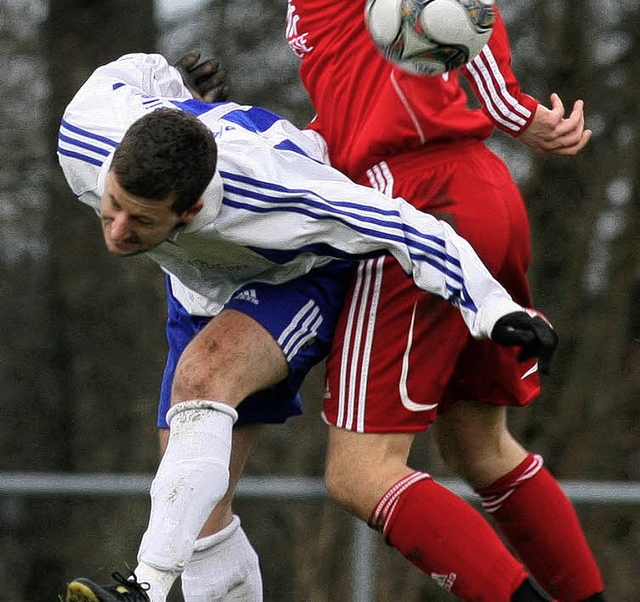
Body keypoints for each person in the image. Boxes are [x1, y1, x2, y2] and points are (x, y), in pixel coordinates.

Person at [250, 0, 605, 602]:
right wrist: (518, 112)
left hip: (414, 206)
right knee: (480, 447)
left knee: (360, 472)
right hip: (481, 186)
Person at [58, 52, 557, 602]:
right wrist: (179, 86)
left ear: (194, 208)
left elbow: (409, 228)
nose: (118, 230)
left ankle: (143, 589)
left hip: (299, 274)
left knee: (203, 380)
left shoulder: (281, 194)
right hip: (198, 289)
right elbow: (140, 68)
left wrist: (494, 309)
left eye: (142, 220)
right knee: (199, 512)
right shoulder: (87, 130)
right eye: (112, 208)